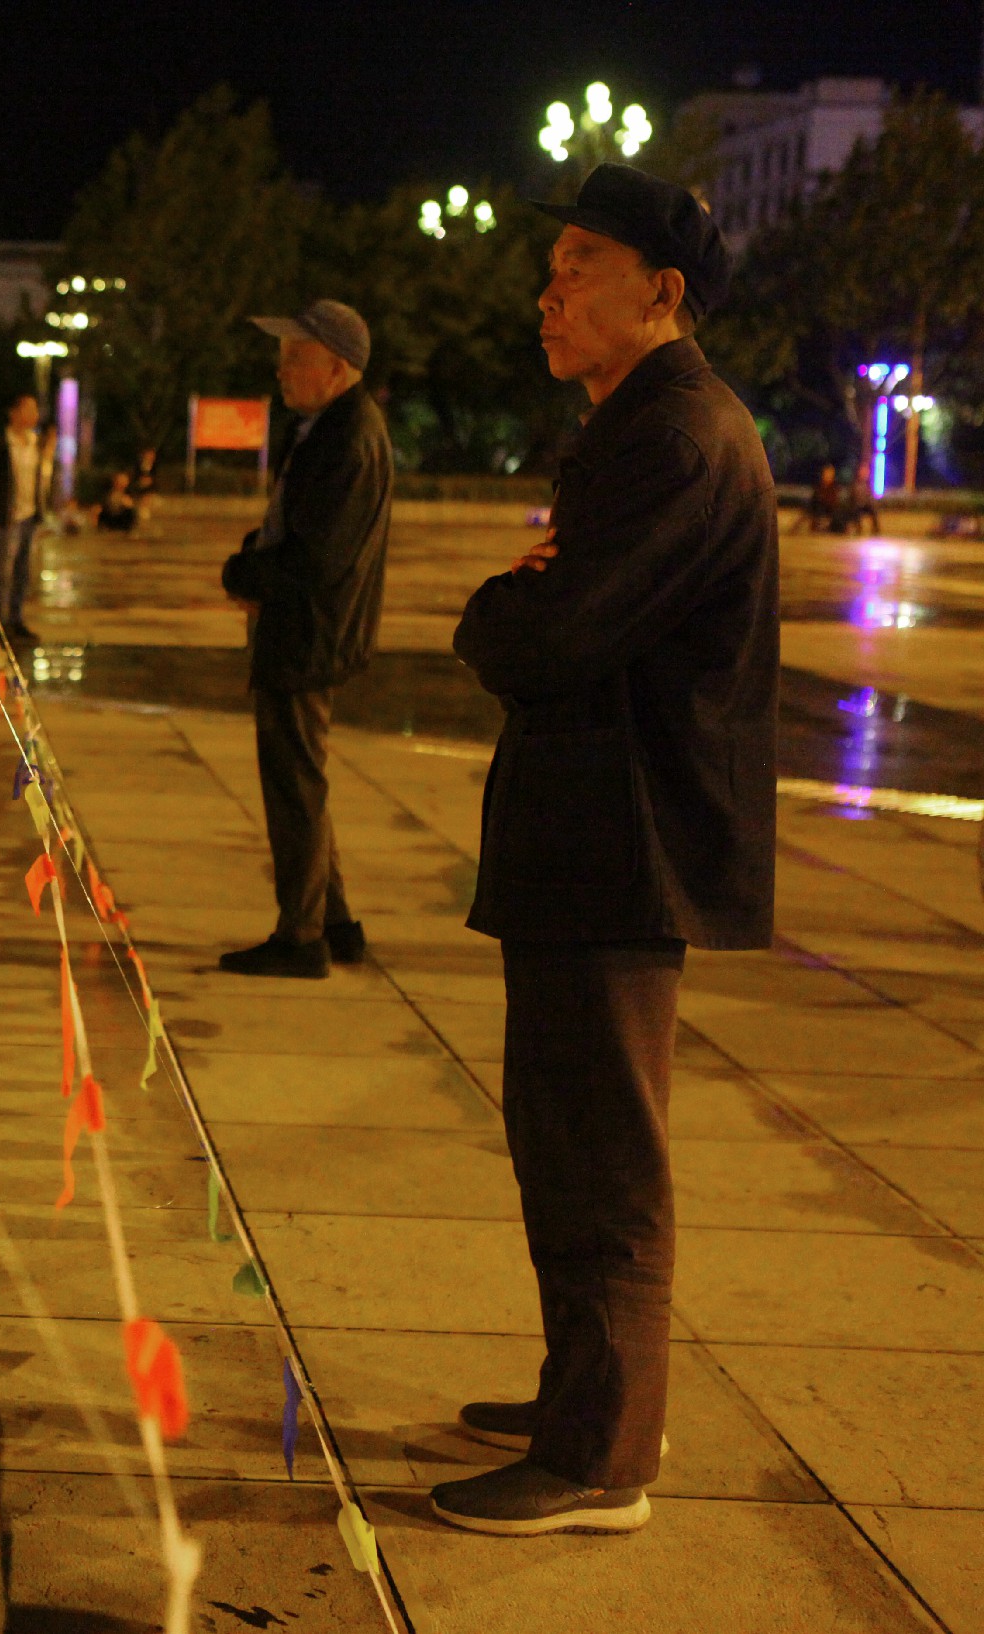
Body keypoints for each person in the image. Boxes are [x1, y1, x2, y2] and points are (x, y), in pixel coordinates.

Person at [433, 163, 778, 1538]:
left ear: (662, 292)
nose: (550, 291)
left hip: (625, 844)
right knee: (565, 1136)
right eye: (554, 265)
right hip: (595, 838)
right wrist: (530, 599)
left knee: (602, 1154)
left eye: (581, 266)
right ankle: (588, 1394)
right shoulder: (646, 426)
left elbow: (555, 631)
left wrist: (491, 609)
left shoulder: (677, 436)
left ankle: (603, 1455)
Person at [215, 299, 392, 978]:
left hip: (307, 634)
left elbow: (316, 557)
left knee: (294, 788)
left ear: (338, 368)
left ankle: (301, 937)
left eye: (296, 358)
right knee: (303, 780)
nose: (281, 370)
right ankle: (334, 922)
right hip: (308, 630)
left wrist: (242, 574)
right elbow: (297, 530)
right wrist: (253, 558)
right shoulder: (330, 428)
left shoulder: (346, 439)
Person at [0, 391, 49, 639]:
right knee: (1, 572)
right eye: (28, 409)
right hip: (7, 517)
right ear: (13, 413)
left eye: (35, 410)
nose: (34, 415)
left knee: (22, 571)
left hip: (29, 515)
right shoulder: (2, 443)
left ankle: (16, 618)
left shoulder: (35, 442)